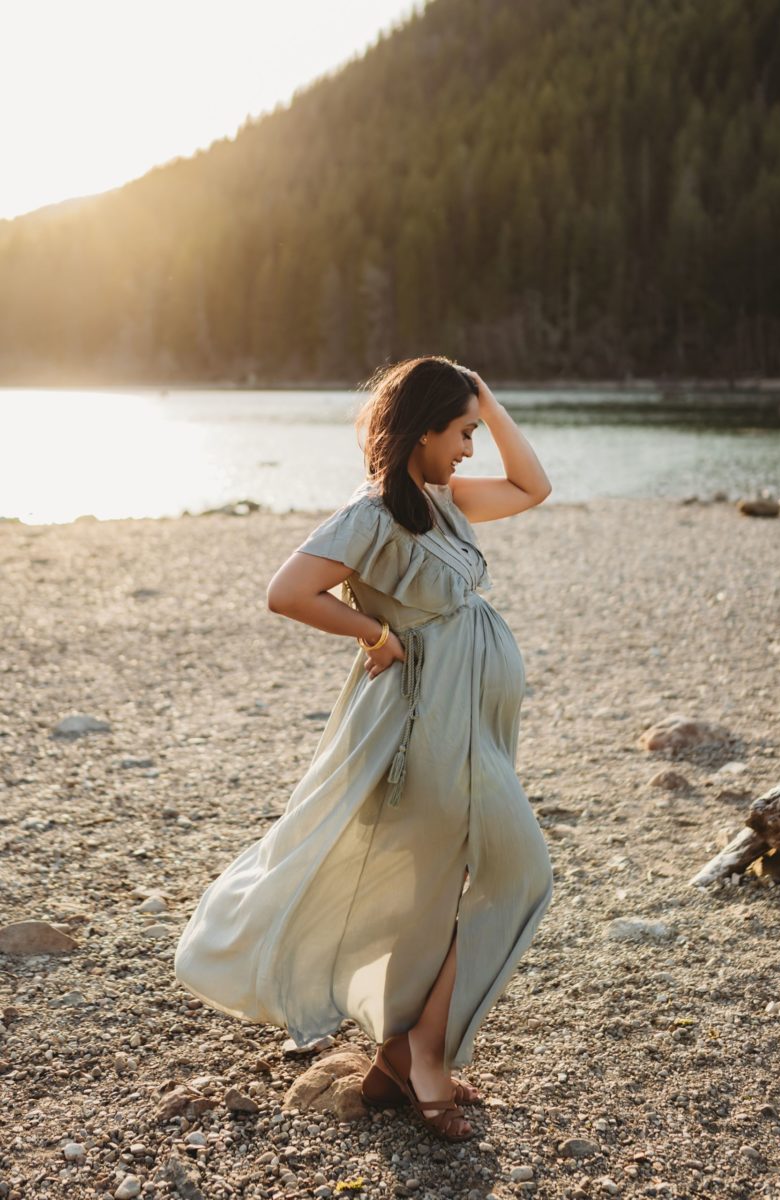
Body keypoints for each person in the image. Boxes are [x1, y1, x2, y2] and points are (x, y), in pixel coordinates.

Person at [173, 355, 554, 1142]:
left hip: (472, 726)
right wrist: (374, 631)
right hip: (425, 725)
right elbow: (288, 591)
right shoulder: (375, 513)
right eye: (461, 433)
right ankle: (425, 1057)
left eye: (474, 432)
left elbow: (533, 487)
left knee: (433, 893)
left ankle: (399, 1057)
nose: (472, 449)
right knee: (519, 875)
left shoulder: (440, 501)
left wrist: (483, 394)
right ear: (418, 435)